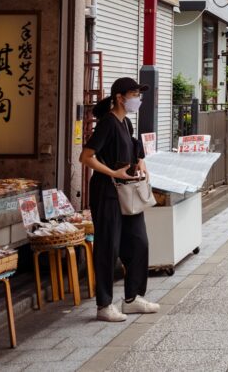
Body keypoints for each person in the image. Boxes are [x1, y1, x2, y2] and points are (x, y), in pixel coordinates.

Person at [79, 77, 159, 322]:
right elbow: (86, 156)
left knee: (139, 242)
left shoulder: (126, 124)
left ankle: (133, 298)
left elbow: (136, 150)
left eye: (139, 94)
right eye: (134, 94)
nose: (138, 99)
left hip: (128, 193)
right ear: (119, 97)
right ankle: (104, 305)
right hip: (107, 193)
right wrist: (114, 172)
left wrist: (142, 165)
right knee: (108, 247)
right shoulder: (108, 124)